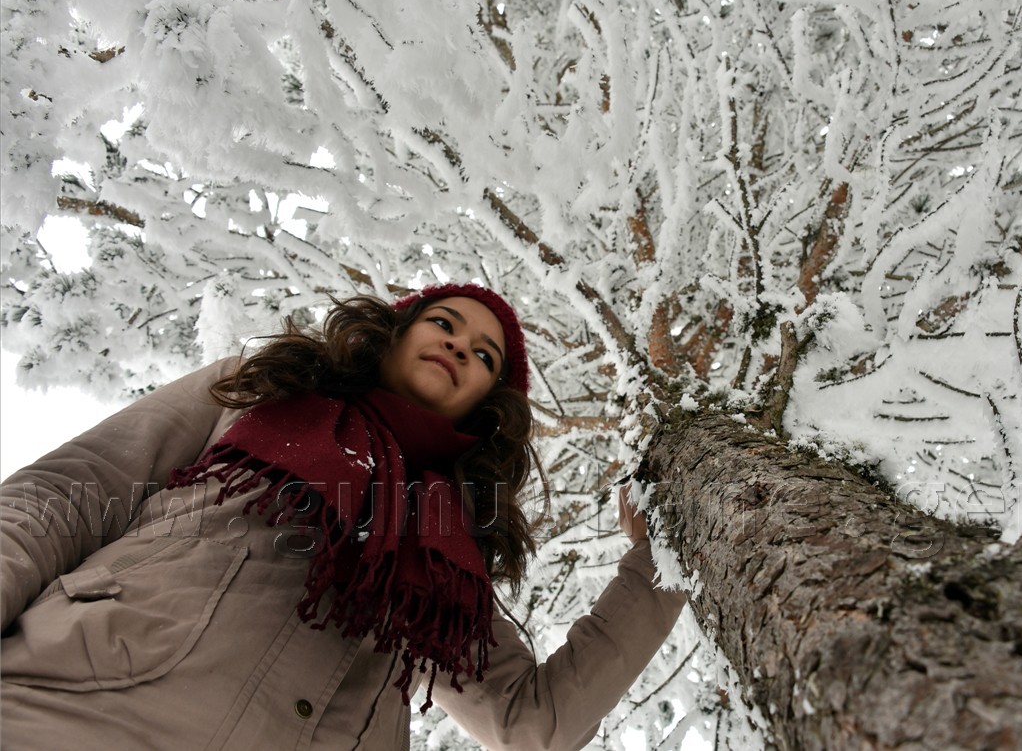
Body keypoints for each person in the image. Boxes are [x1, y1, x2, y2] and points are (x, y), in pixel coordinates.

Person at [0, 284, 685, 750]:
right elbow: (61, 496)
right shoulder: (256, 391)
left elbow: (533, 716)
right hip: (65, 715)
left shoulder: (443, 566)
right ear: (389, 334)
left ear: (486, 404)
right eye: (443, 323)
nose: (458, 346)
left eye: (483, 355)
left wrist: (660, 561)